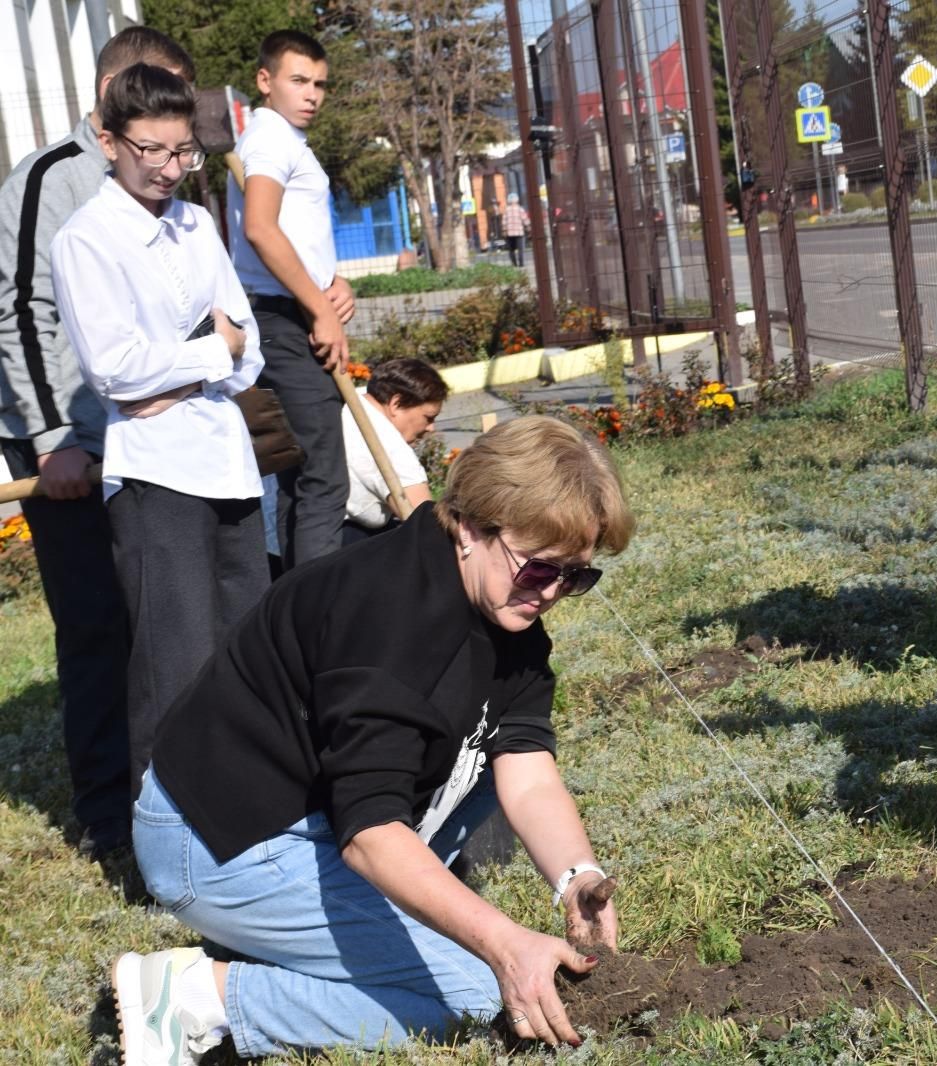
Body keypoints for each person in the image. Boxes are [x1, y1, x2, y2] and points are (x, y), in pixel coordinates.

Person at [111, 415, 632, 1062]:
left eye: (575, 577)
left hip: (312, 821)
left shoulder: (506, 615)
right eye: (539, 570)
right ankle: (195, 998)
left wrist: (577, 878)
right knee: (474, 995)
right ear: (471, 527)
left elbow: (525, 772)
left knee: (482, 781)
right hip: (218, 840)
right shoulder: (391, 621)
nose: (551, 593)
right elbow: (369, 832)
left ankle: (293, 947)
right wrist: (504, 945)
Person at [0, 27, 196, 858]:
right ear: (113, 91)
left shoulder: (166, 176)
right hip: (67, 449)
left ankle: (177, 792)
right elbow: (21, 310)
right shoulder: (51, 178)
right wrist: (53, 439)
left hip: (148, 440)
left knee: (164, 622)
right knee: (95, 628)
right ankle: (108, 813)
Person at [51, 64, 269, 790]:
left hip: (228, 461)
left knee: (247, 649)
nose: (172, 169)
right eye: (153, 150)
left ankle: (247, 806)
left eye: (184, 151)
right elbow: (117, 372)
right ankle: (165, 831)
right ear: (109, 142)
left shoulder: (196, 223)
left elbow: (248, 349)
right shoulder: (87, 239)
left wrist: (188, 369)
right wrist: (211, 354)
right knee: (173, 667)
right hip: (155, 474)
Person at [229, 30, 356, 570]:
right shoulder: (270, 140)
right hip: (285, 320)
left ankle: (294, 600)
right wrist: (321, 309)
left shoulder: (281, 139)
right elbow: (261, 228)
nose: (312, 94)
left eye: (320, 84)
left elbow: (294, 235)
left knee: (299, 476)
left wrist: (332, 282)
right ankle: (320, 609)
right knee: (324, 480)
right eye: (298, 80)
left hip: (289, 311)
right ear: (265, 80)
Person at [341, 357, 446, 543]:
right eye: (428, 417)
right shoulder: (392, 450)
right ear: (396, 404)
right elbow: (428, 529)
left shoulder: (353, 400)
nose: (431, 428)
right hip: (350, 540)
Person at [502, 192, 529, 268]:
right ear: (517, 200)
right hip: (519, 232)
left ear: (509, 201)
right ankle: (521, 263)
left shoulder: (506, 210)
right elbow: (525, 219)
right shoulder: (520, 209)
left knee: (511, 250)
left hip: (509, 233)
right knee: (521, 249)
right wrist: (528, 227)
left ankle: (514, 264)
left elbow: (504, 221)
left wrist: (504, 230)